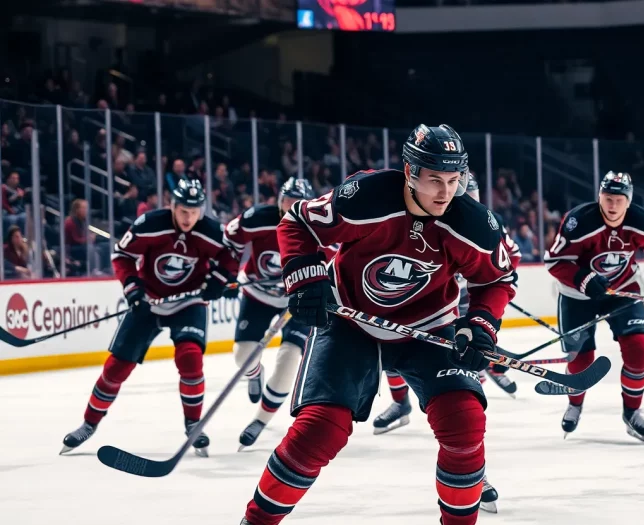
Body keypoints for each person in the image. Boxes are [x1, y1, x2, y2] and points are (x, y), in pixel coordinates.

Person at [239, 124, 520, 525]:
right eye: (435, 180)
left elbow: (496, 280)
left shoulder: (473, 224)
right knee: (320, 430)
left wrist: (479, 325)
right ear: (409, 172)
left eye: (454, 181)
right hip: (351, 321)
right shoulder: (365, 196)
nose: (445, 193)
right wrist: (305, 276)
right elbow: (298, 222)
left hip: (429, 326)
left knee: (465, 421)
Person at [369, 173, 516, 514]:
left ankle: (476, 474)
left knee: (464, 401)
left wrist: (482, 325)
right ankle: (400, 403)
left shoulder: (485, 226)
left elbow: (506, 272)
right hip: (424, 309)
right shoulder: (422, 216)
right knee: (397, 354)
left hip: (461, 315)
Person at [60, 180, 240, 456]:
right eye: (183, 211)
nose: (189, 217)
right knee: (116, 368)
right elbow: (122, 255)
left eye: (194, 211)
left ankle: (193, 424)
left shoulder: (211, 230)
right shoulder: (150, 224)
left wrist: (219, 280)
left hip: (189, 302)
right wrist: (134, 291)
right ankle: (88, 423)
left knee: (190, 356)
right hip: (150, 301)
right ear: (172, 206)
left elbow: (230, 255)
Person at [543, 171, 644, 445]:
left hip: (623, 290)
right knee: (581, 359)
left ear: (628, 201)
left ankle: (632, 413)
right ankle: (575, 403)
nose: (613, 205)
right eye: (608, 198)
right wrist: (584, 278)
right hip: (577, 295)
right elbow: (554, 261)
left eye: (619, 199)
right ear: (599, 197)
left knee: (639, 349)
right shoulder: (579, 222)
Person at [223, 177, 316, 450]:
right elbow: (230, 237)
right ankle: (254, 374)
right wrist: (227, 273)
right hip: (258, 295)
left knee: (290, 357)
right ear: (279, 200)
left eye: (298, 202)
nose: (291, 207)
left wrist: (321, 284)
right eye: (288, 200)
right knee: (243, 355)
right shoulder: (258, 218)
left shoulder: (318, 224)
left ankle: (260, 420)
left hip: (295, 299)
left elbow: (338, 258)